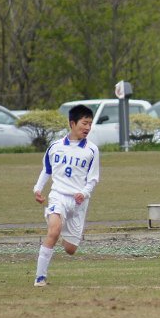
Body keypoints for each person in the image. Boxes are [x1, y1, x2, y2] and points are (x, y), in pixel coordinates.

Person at [32, 104, 100, 287]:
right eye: (84, 123)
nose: (87, 127)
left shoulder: (92, 150)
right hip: (58, 196)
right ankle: (40, 277)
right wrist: (38, 189)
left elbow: (93, 179)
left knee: (70, 249)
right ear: (72, 123)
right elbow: (47, 170)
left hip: (78, 203)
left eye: (90, 124)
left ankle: (60, 227)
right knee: (53, 231)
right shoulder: (55, 146)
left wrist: (84, 193)